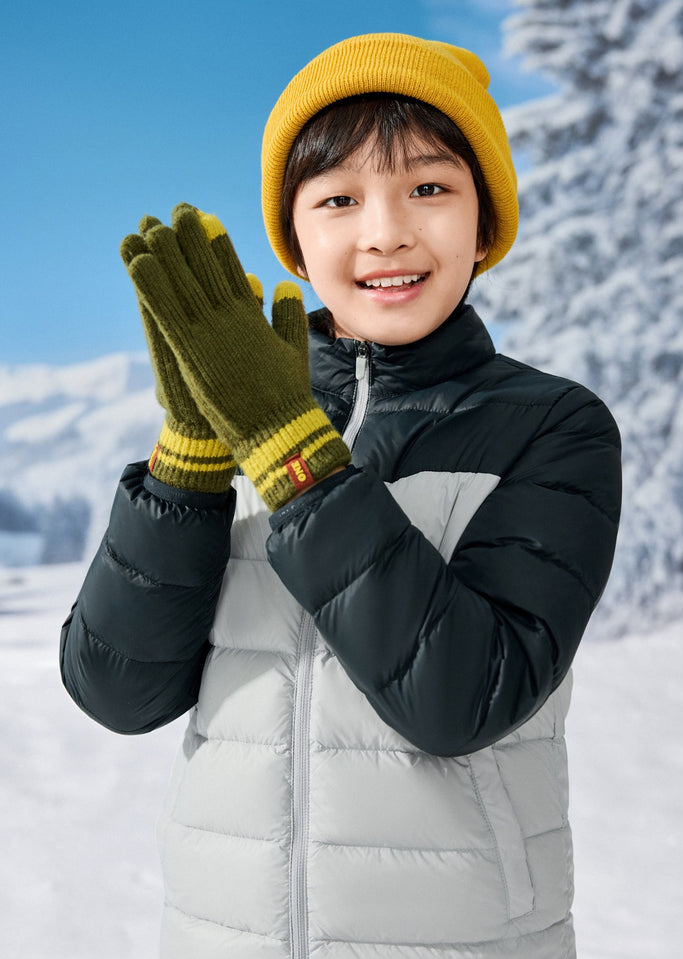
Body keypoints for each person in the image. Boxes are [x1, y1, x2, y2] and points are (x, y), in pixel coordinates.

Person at [60, 32, 621, 959]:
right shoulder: (242, 417)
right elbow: (118, 690)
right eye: (339, 199)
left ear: (485, 225)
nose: (385, 231)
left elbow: (462, 697)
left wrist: (291, 452)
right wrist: (191, 454)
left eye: (429, 188)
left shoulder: (550, 426)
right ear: (295, 241)